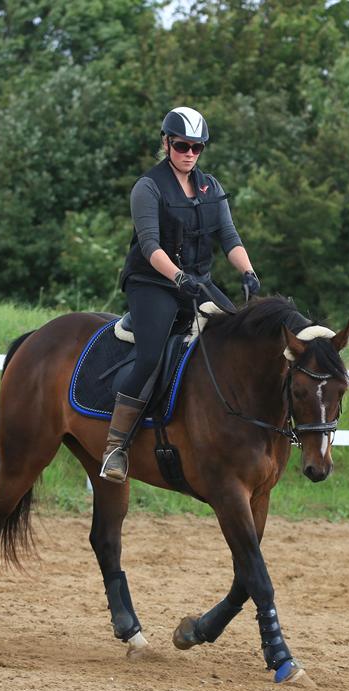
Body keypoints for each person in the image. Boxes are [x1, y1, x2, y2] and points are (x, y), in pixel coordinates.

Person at [100, 106, 261, 483]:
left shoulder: (211, 187)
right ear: (166, 143)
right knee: (151, 354)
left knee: (237, 337)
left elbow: (229, 237)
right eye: (182, 145)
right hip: (152, 282)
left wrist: (248, 271)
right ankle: (116, 446)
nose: (189, 153)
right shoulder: (148, 186)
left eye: (197, 147)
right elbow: (150, 245)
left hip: (197, 282)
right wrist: (177, 278)